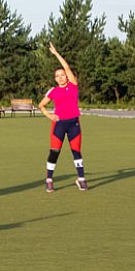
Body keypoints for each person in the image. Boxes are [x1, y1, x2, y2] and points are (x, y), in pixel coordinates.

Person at [38, 42, 88, 193]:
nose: (60, 77)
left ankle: (81, 179)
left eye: (62, 75)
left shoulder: (73, 85)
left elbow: (66, 66)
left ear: (67, 76)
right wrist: (49, 115)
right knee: (54, 152)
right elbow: (41, 105)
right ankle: (49, 180)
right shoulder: (53, 91)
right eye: (57, 76)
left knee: (76, 151)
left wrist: (56, 54)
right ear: (55, 79)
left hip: (74, 124)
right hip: (59, 125)